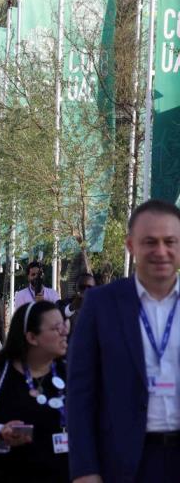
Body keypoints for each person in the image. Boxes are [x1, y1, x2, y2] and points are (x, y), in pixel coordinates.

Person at [68, 199, 180, 482]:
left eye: (170, 241)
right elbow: (81, 395)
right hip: (124, 462)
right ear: (131, 246)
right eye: (150, 242)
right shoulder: (101, 304)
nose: (161, 251)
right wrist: (84, 469)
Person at [0, 300, 70, 483]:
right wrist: (0, 432)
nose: (65, 333)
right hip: (4, 474)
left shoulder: (72, 374)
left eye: (65, 325)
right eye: (56, 328)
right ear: (32, 337)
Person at [56, 273, 95, 341]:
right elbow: (57, 317)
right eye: (82, 287)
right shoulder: (61, 304)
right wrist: (72, 307)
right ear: (74, 288)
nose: (86, 291)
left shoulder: (101, 308)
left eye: (90, 288)